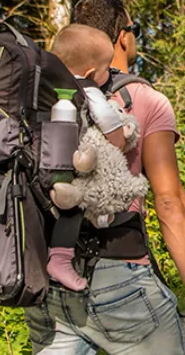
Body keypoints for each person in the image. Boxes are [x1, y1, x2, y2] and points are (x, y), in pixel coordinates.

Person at [23, 0, 185, 355]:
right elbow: (169, 202)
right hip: (118, 270)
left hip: (48, 277)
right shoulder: (147, 102)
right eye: (134, 30)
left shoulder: (44, 97)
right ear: (122, 38)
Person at [45, 24, 147, 291]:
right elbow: (109, 123)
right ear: (91, 72)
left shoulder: (45, 85)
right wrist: (120, 140)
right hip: (75, 163)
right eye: (105, 69)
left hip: (47, 158)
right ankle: (60, 259)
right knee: (76, 205)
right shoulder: (88, 89)